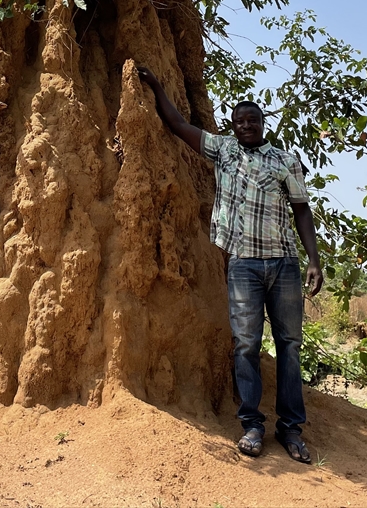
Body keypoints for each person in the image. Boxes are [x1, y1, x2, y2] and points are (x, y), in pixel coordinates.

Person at [136, 66, 323, 463]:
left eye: (252, 120)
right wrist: (154, 85)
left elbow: (302, 211)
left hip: (285, 264)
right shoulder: (223, 150)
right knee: (246, 344)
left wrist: (314, 260)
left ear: (262, 123)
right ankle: (252, 425)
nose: (246, 126)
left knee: (290, 345)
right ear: (233, 127)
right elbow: (176, 124)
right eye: (239, 121)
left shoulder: (286, 161)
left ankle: (291, 430)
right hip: (243, 266)